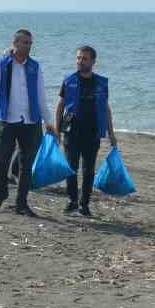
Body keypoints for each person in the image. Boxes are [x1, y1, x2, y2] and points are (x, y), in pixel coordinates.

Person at [0, 29, 55, 217]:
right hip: (6, 120)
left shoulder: (35, 67)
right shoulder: (2, 64)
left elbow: (41, 97)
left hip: (31, 122)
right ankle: (2, 192)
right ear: (15, 43)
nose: (28, 46)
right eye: (25, 43)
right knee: (1, 160)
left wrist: (49, 122)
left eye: (30, 43)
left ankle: (21, 203)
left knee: (26, 165)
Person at [55, 45, 118, 217]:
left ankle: (84, 204)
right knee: (71, 167)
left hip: (92, 132)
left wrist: (111, 133)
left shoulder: (101, 82)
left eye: (84, 58)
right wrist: (57, 130)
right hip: (71, 131)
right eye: (78, 58)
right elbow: (60, 106)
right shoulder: (69, 80)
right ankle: (71, 201)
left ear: (93, 61)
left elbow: (106, 108)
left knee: (89, 170)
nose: (80, 61)